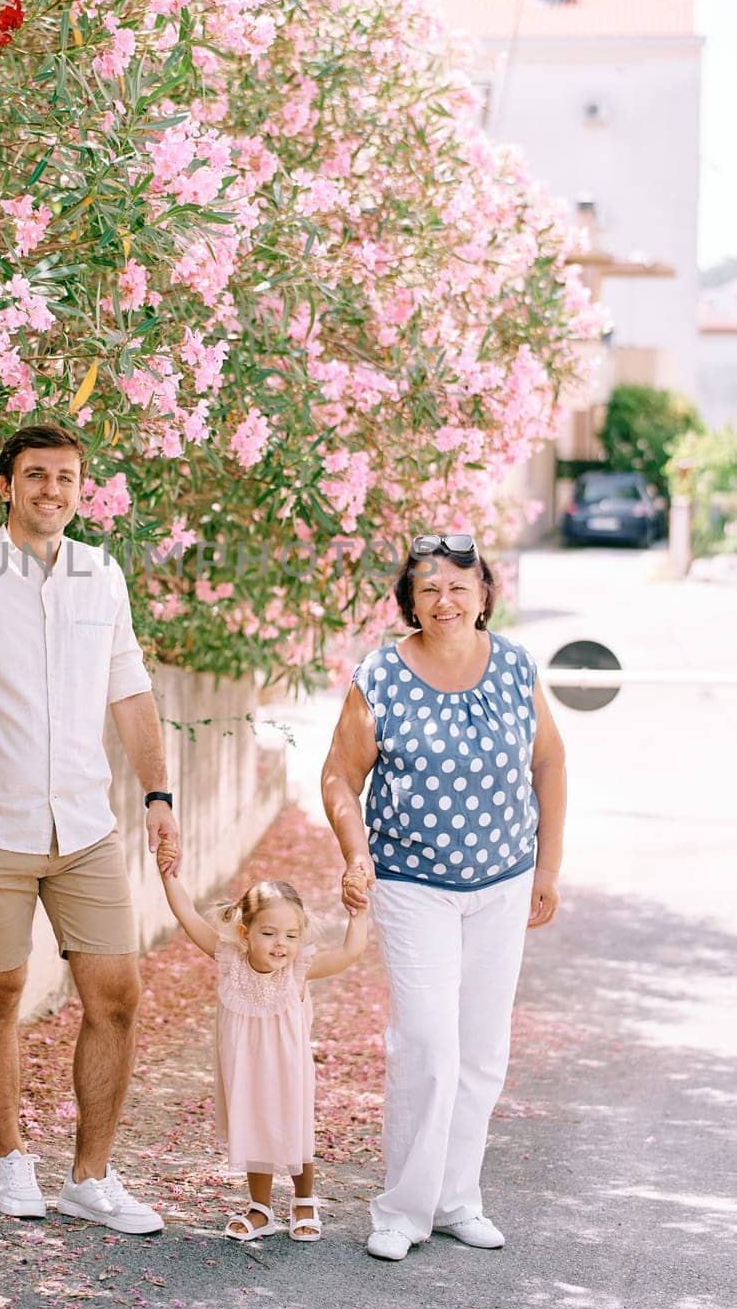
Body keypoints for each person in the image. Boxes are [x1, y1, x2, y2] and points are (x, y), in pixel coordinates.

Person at [0, 422, 181, 1234]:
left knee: (116, 996)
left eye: (67, 476)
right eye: (36, 474)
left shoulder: (101, 575)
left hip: (85, 825)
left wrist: (157, 794)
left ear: (82, 488)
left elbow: (130, 691)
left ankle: (91, 1178)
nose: (53, 489)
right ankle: (9, 1162)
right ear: (7, 485)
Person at [321, 532, 566, 1261]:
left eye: (460, 586)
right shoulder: (382, 676)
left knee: (483, 1048)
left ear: (485, 594)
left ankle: (459, 1198)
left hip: (502, 882)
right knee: (428, 1043)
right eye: (429, 588)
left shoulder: (516, 667)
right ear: (411, 601)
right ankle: (402, 1210)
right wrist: (354, 852)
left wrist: (548, 868)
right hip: (412, 884)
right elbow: (340, 774)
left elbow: (549, 760)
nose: (445, 600)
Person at [157, 859, 368, 1241]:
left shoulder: (299, 969)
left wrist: (359, 912)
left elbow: (349, 953)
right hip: (246, 1070)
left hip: (288, 1070)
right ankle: (261, 1208)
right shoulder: (229, 960)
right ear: (245, 931)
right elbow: (187, 914)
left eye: (291, 935)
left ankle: (304, 1200)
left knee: (295, 1130)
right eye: (269, 933)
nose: (280, 944)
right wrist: (169, 876)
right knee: (255, 1128)